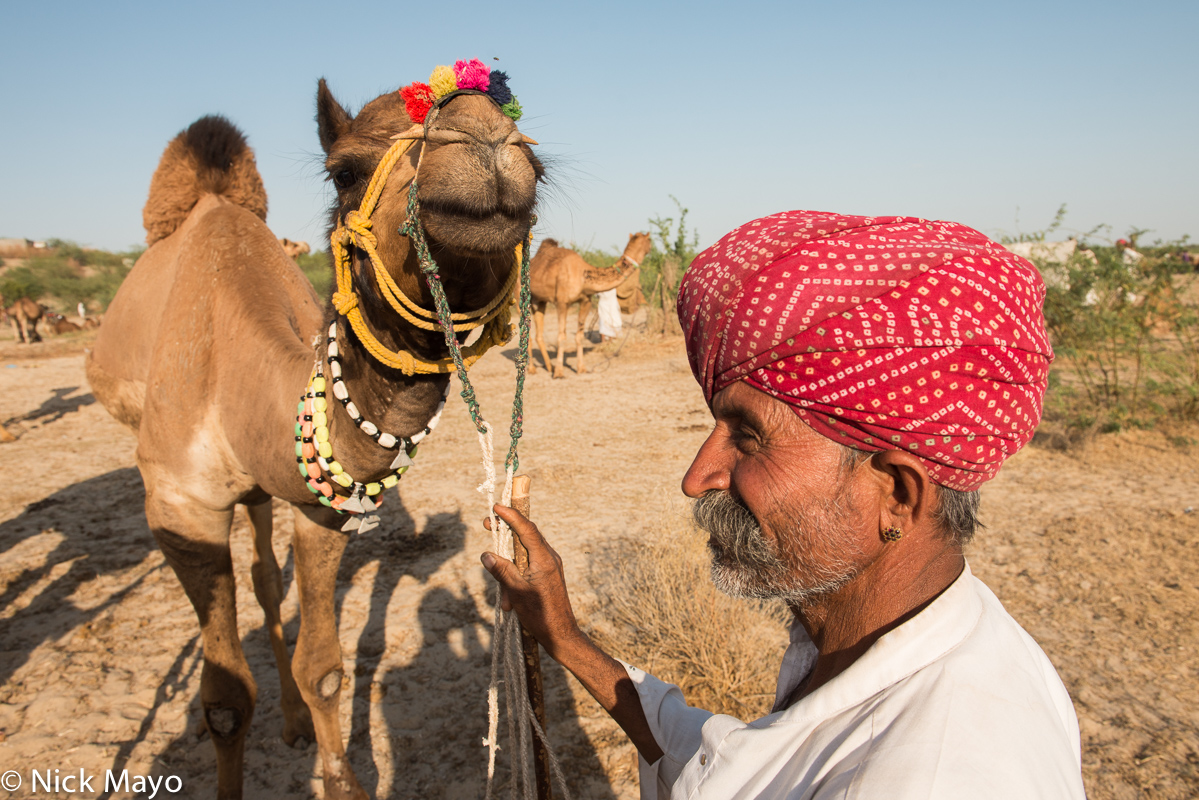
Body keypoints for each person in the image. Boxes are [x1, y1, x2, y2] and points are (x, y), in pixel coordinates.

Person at [482, 211, 1086, 799]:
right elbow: (730, 765)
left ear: (897, 496)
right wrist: (564, 637)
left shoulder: (930, 774)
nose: (697, 479)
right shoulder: (898, 634)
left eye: (747, 437)